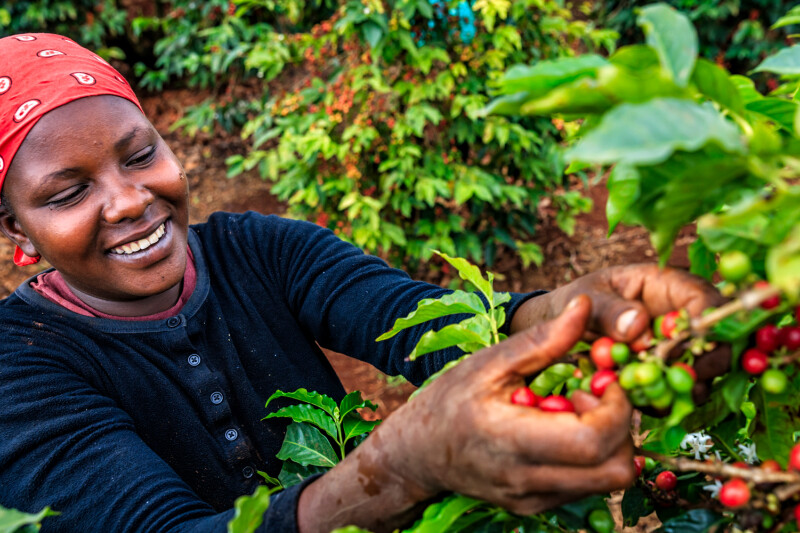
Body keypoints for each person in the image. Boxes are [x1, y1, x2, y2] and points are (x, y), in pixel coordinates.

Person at [0, 34, 727, 533]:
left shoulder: (259, 249)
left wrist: (565, 312)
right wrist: (396, 468)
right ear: (16, 231)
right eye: (68, 193)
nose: (129, 200)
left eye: (140, 154)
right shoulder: (20, 367)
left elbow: (418, 320)